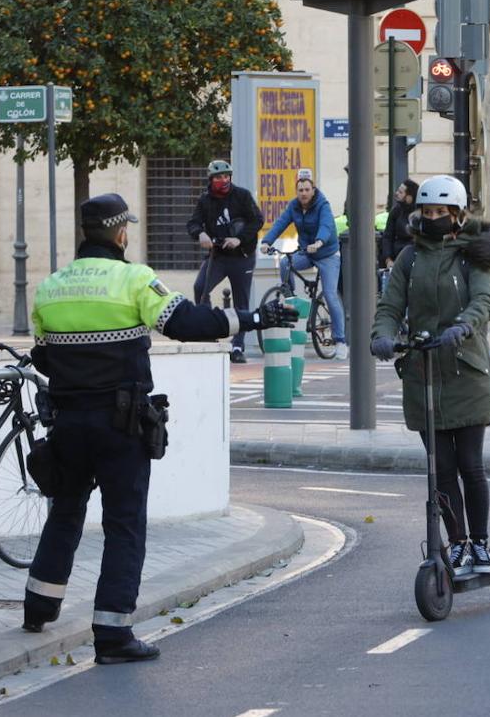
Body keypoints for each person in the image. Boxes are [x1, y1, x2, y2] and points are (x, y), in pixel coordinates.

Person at [25, 193, 296, 664]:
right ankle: (112, 636)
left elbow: (44, 353)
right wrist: (252, 318)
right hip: (120, 423)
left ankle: (39, 606)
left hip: (67, 424)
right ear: (121, 232)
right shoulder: (133, 279)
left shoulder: (51, 286)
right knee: (124, 526)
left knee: (65, 512)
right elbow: (186, 322)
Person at [371, 175, 490, 575]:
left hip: (465, 371)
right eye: (426, 211)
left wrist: (463, 326)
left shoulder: (472, 256)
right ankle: (458, 544)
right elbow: (390, 305)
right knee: (441, 468)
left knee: (470, 464)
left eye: (440, 212)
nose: (432, 218)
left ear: (457, 215)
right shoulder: (409, 259)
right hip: (423, 372)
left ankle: (481, 543)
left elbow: (486, 299)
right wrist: (381, 336)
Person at [260, 170, 348, 360]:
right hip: (306, 252)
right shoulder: (294, 206)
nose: (303, 193)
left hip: (327, 254)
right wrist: (267, 241)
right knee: (285, 263)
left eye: (307, 189)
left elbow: (326, 226)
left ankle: (340, 340)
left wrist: (319, 242)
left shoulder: (322, 205)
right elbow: (281, 223)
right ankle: (291, 297)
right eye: (300, 190)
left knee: (331, 295)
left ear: (313, 189)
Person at [187, 159, 263, 364]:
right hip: (218, 256)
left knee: (241, 302)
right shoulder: (205, 200)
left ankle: (238, 345)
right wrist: (200, 233)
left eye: (226, 176)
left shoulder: (242, 196)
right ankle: (210, 329)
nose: (224, 180)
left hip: (243, 257)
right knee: (200, 287)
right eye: (219, 177)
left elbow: (258, 220)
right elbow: (193, 223)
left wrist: (240, 239)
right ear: (211, 179)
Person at [379, 178, 418, 269]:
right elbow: (388, 236)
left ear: (409, 197)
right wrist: (388, 260)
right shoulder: (396, 210)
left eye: (401, 192)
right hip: (397, 258)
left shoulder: (419, 213)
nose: (396, 193)